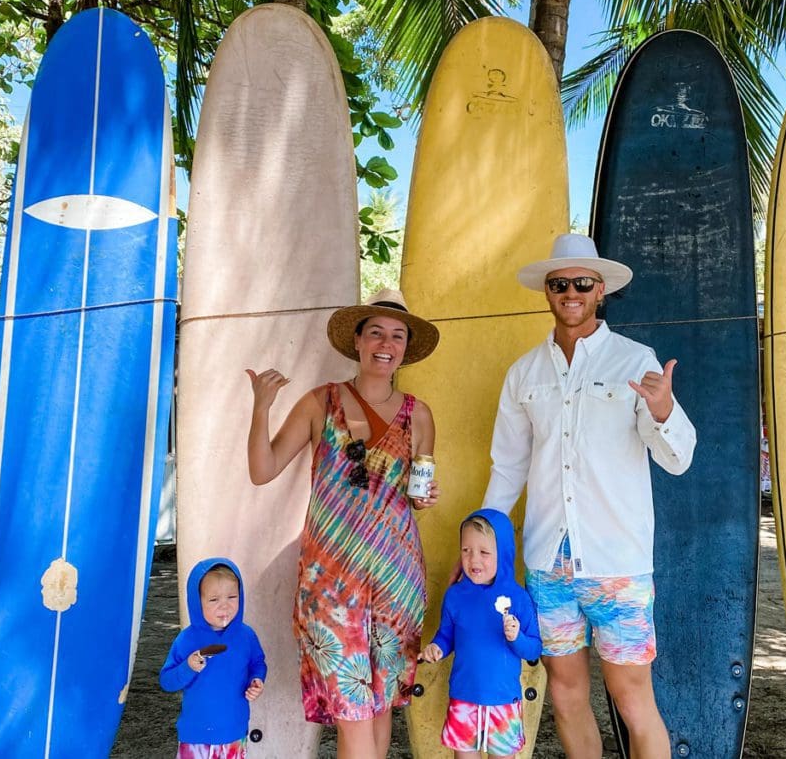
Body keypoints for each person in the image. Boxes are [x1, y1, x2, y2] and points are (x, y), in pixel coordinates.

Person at [482, 233, 696, 759]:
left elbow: (678, 458)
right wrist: (484, 542)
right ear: (547, 292)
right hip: (548, 566)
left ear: (600, 290)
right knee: (565, 693)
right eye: (560, 283)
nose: (570, 292)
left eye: (582, 283)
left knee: (632, 697)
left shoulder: (635, 361)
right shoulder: (524, 373)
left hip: (616, 564)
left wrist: (664, 410)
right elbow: (507, 467)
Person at [245, 289, 440, 759]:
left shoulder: (420, 415)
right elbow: (263, 468)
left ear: (404, 349)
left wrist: (426, 498)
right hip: (331, 584)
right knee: (352, 709)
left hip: (397, 580)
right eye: (375, 332)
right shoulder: (320, 403)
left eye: (396, 335)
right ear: (356, 341)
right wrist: (260, 406)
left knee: (379, 707)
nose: (385, 343)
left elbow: (416, 491)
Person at [420, 508, 541, 759]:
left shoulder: (518, 599)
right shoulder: (455, 595)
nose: (474, 560)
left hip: (504, 702)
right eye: (466, 550)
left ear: (504, 554)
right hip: (464, 699)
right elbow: (446, 636)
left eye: (484, 553)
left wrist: (516, 637)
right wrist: (437, 647)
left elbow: (534, 649)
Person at [160, 558, 267, 758]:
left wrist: (257, 680)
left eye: (232, 597)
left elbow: (258, 663)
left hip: (234, 732)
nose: (224, 607)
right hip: (195, 735)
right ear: (196, 601)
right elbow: (167, 681)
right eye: (214, 599)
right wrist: (187, 667)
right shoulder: (187, 640)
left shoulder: (246, 636)